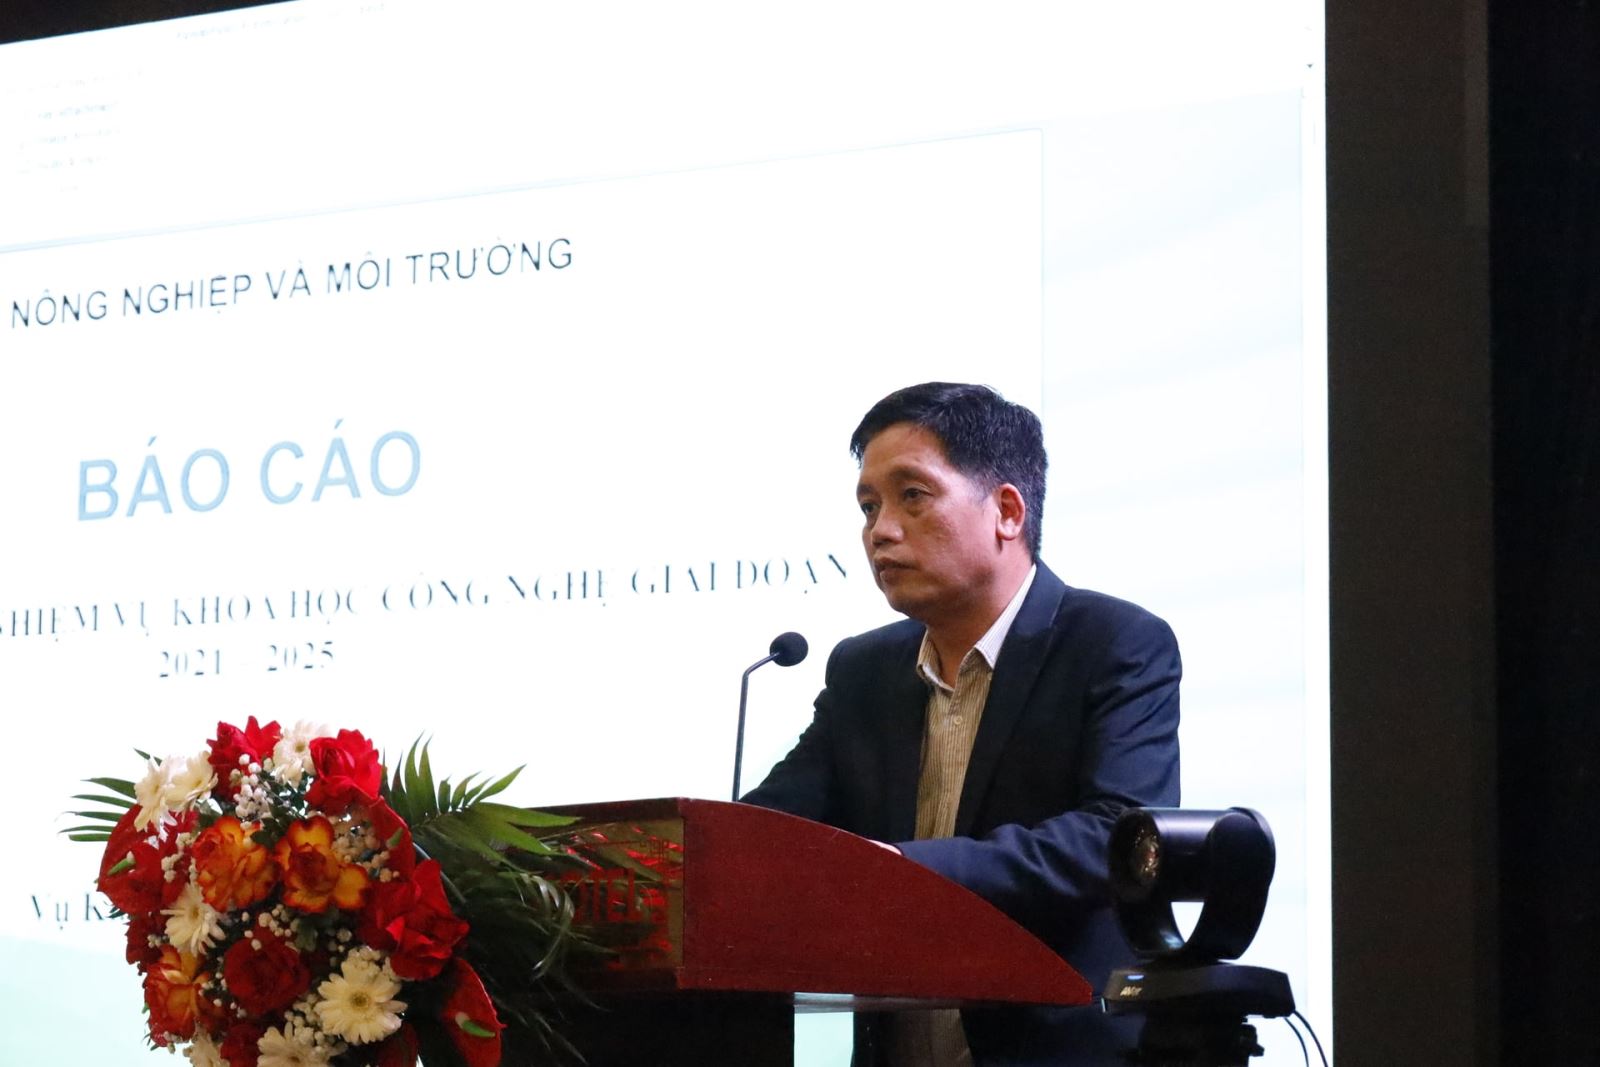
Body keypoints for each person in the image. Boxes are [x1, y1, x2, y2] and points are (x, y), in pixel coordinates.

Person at [742, 381, 1181, 1066]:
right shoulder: (864, 670)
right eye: (868, 506)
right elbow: (777, 826)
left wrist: (902, 870)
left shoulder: (1113, 643)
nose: (880, 530)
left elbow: (1116, 837)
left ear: (1006, 511)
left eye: (912, 496)